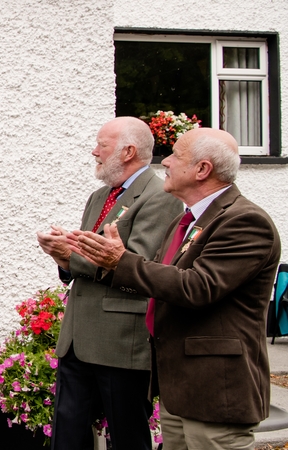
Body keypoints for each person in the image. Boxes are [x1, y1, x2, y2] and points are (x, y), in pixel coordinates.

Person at [67, 127, 281, 450]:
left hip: (214, 394)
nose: (164, 161)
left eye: (176, 155)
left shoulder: (245, 221)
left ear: (202, 169)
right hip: (180, 390)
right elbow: (157, 275)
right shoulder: (189, 221)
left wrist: (120, 261)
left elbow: (197, 287)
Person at [36, 116, 183, 449]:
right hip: (78, 338)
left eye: (102, 145)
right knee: (67, 434)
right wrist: (63, 256)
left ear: (128, 151)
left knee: (128, 435)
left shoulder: (160, 197)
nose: (94, 152)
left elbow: (138, 264)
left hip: (120, 342)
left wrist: (71, 255)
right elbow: (86, 259)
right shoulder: (100, 196)